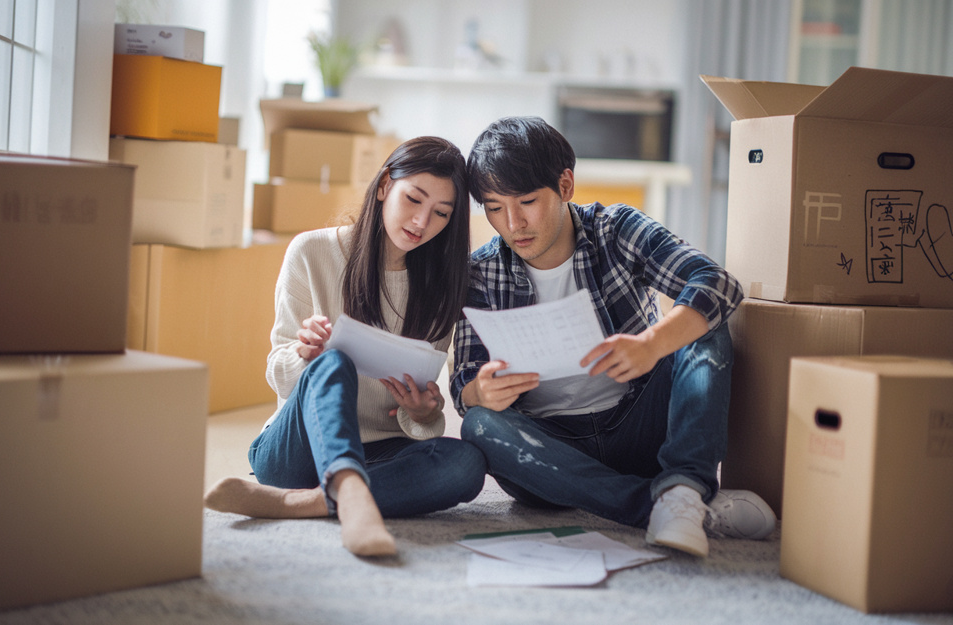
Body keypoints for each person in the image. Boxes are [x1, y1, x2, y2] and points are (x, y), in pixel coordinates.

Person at [452, 116, 775, 558]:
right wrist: (480, 391)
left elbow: (716, 282)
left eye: (527, 201)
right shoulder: (481, 271)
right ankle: (669, 505)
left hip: (639, 424)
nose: (513, 223)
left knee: (704, 325)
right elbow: (463, 383)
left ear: (565, 185)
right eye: (493, 208)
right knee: (478, 425)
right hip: (551, 450)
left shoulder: (615, 229)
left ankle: (682, 484)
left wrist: (652, 344)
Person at [205, 136, 486, 557]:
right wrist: (304, 356)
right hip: (296, 453)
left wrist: (423, 412)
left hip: (381, 450)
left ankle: (303, 502)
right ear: (385, 185)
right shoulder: (312, 252)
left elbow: (425, 410)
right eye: (413, 199)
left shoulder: (443, 285)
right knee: (333, 361)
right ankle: (350, 495)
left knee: (467, 465)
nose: (421, 221)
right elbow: (278, 372)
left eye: (441, 213)